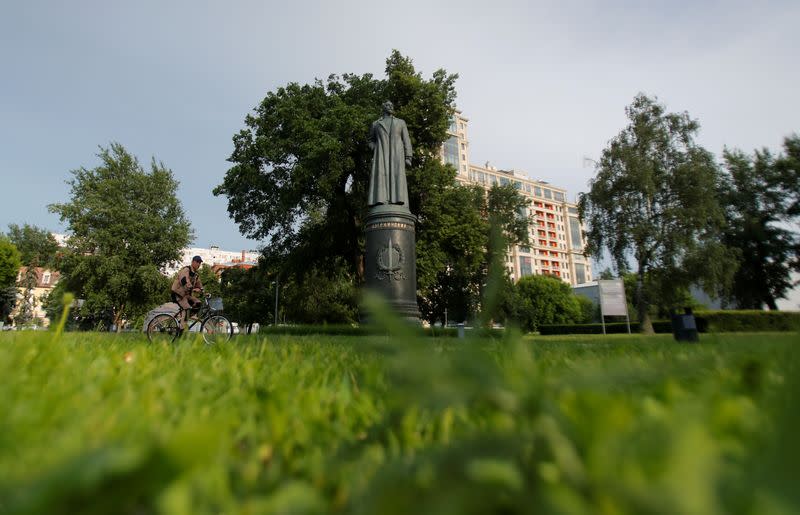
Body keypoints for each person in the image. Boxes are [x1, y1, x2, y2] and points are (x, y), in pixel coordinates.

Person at [367, 100, 413, 207]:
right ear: (383, 107)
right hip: (381, 154)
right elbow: (370, 140)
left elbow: (406, 139)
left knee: (397, 176)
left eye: (392, 105)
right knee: (381, 176)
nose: (390, 106)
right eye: (388, 105)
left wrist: (408, 156)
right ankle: (380, 200)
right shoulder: (376, 124)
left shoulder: (401, 122)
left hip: (397, 154)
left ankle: (398, 200)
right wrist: (375, 148)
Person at [171, 255, 204, 327]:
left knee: (198, 303)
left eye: (200, 262)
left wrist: (202, 291)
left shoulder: (196, 275)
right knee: (187, 309)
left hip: (186, 295)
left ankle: (183, 319)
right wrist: (193, 288)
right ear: (192, 262)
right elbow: (184, 281)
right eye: (197, 262)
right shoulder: (186, 270)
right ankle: (181, 327)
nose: (198, 264)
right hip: (177, 294)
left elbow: (199, 284)